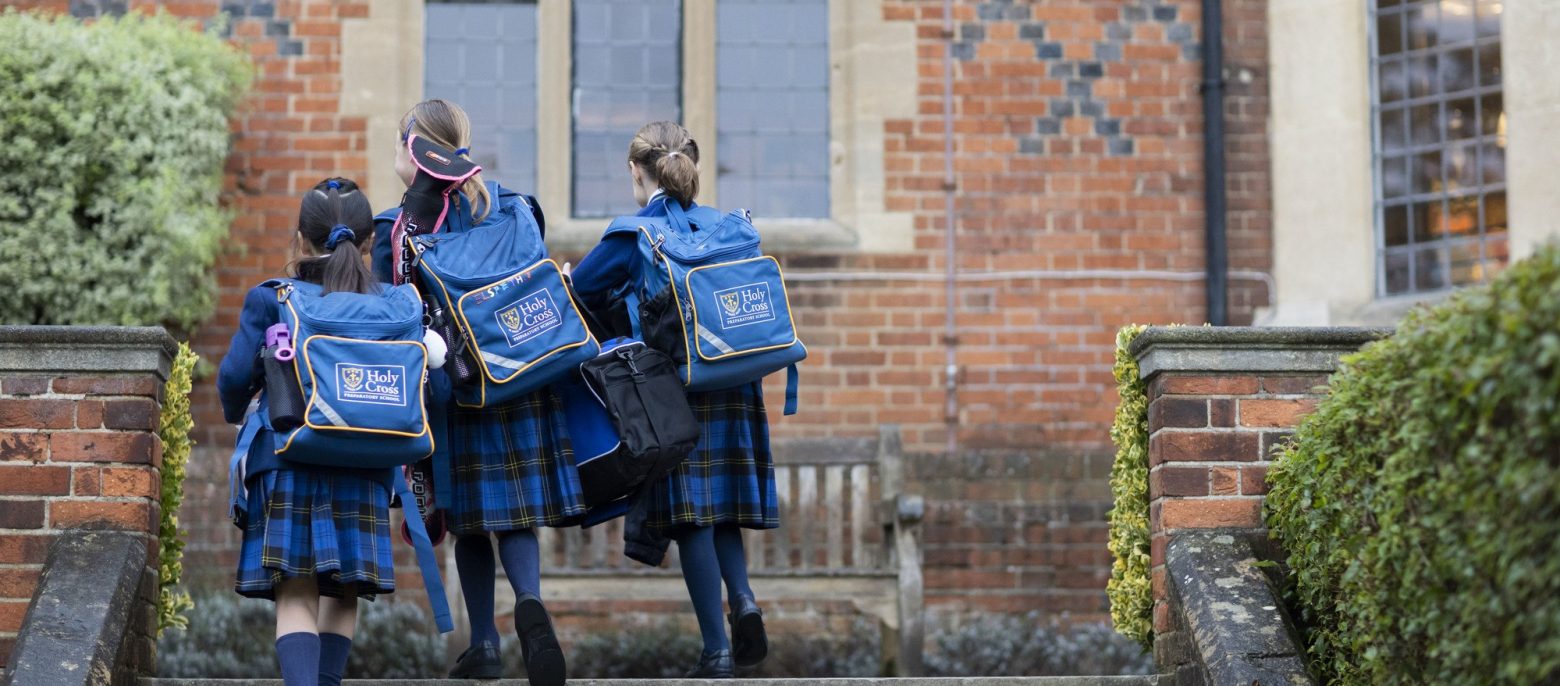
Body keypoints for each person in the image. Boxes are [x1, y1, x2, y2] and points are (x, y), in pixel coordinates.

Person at [372, 99, 578, 686]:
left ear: (413, 147)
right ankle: (532, 608)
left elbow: (394, 313)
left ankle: (484, 642)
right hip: (518, 378)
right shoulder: (513, 206)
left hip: (454, 386)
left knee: (466, 519)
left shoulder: (398, 228)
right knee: (514, 514)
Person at [568, 121, 777, 678]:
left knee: (691, 519)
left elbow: (580, 291)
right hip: (735, 382)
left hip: (673, 388)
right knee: (724, 505)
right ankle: (746, 599)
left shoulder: (631, 233)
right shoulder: (732, 226)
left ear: (638, 172)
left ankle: (717, 651)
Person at [218, 177, 396, 686]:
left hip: (288, 455)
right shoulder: (391, 305)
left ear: (300, 241)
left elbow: (232, 378)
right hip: (366, 463)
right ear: (367, 245)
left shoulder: (272, 298)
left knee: (296, 591)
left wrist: (238, 410)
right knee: (341, 592)